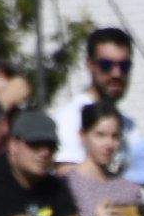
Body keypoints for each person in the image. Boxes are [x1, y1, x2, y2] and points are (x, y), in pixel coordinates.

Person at [55, 26, 135, 165]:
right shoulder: (69, 119)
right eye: (106, 65)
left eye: (124, 66)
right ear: (90, 65)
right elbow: (69, 181)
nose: (116, 74)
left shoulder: (130, 125)